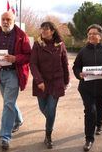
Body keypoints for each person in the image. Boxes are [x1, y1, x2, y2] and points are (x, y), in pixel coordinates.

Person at [0, 11, 31, 150]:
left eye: (8, 19)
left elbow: (29, 55)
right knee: (8, 102)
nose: (5, 22)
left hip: (13, 74)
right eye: (3, 19)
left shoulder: (21, 35)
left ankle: (5, 137)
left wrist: (16, 58)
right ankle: (18, 120)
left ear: (13, 20)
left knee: (8, 104)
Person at [72, 24, 102, 151]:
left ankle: (99, 124)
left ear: (100, 36)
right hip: (86, 88)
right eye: (89, 34)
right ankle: (89, 139)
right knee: (90, 111)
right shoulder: (82, 52)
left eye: (94, 33)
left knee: (100, 107)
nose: (91, 36)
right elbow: (76, 67)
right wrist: (79, 74)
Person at [30, 21, 70, 149]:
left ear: (52, 31)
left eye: (46, 29)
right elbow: (33, 64)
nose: (43, 31)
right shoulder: (37, 45)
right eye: (41, 29)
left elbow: (65, 64)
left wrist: (66, 81)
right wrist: (39, 80)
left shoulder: (60, 45)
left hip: (56, 82)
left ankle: (48, 136)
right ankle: (50, 120)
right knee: (43, 108)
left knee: (51, 109)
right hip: (41, 82)